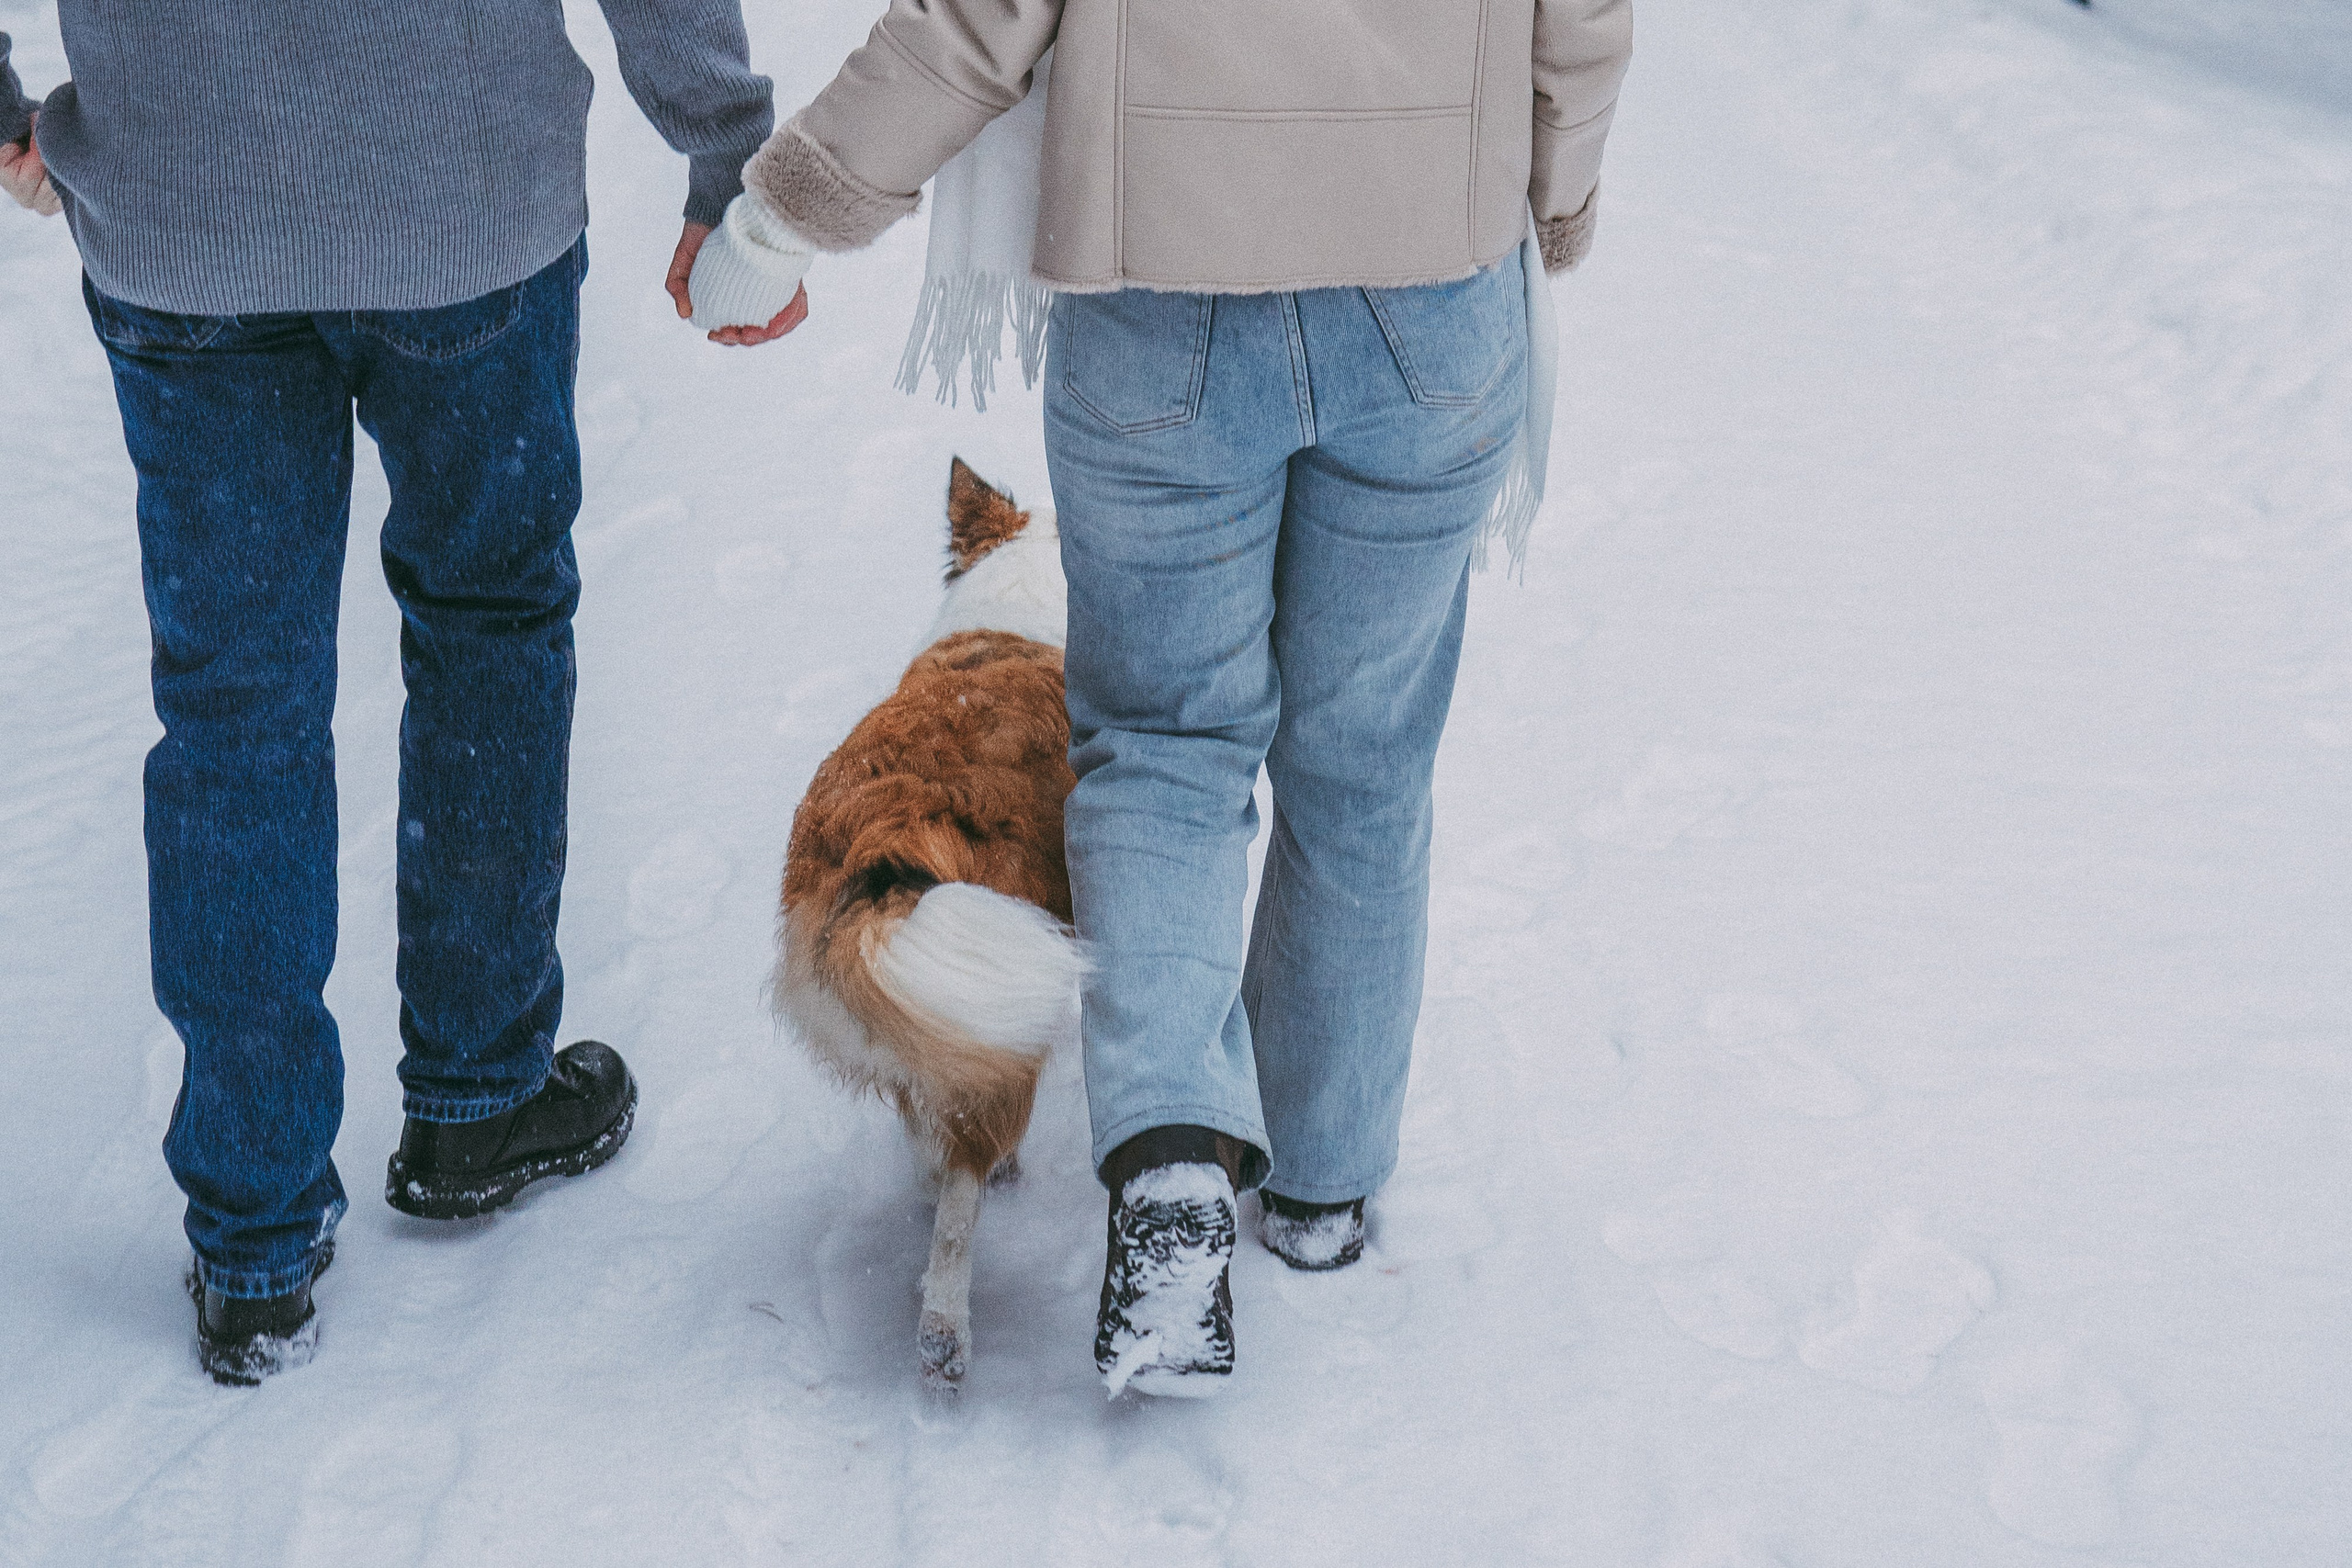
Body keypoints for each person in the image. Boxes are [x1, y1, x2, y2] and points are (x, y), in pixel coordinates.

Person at [679, 0, 1634, 1393]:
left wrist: (777, 225)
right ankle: (1317, 1189)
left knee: (1165, 749)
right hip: (1436, 292)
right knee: (1362, 761)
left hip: (1161, 296)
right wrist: (1551, 199)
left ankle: (1175, 1162)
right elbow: (1584, 19)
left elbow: (975, 21)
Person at [0, 7, 787, 1387]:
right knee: (488, 621)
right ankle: (478, 1098)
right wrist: (723, 150)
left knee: (234, 710)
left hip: (185, 220)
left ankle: (254, 1234)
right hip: (460, 206)